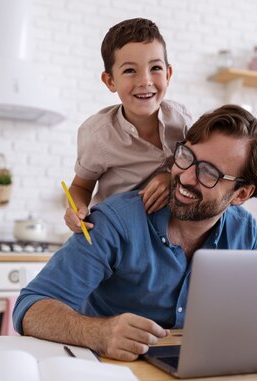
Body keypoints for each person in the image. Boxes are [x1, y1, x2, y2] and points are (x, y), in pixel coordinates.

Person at [15, 105, 257, 361]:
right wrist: (100, 333)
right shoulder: (116, 222)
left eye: (209, 173)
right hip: (110, 372)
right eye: (186, 157)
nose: (186, 178)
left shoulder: (244, 232)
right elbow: (30, 308)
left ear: (242, 194)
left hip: (198, 373)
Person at [64, 17, 192, 233]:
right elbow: (80, 186)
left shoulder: (181, 120)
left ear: (168, 74)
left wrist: (170, 176)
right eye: (130, 71)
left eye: (155, 68)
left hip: (165, 232)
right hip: (116, 231)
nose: (145, 81)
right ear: (110, 81)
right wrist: (77, 209)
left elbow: (195, 166)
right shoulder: (97, 134)